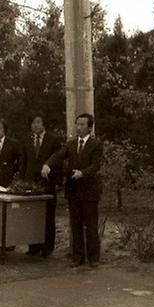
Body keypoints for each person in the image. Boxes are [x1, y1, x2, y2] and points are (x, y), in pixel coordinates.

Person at [42, 113, 102, 268]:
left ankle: (93, 258)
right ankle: (78, 257)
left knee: (91, 225)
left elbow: (96, 165)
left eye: (82, 124)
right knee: (75, 225)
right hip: (73, 191)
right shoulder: (70, 144)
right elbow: (58, 155)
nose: (79, 127)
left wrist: (83, 173)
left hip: (89, 191)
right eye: (78, 124)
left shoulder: (96, 144)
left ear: (90, 127)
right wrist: (47, 164)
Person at [22, 112, 62, 257]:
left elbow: (58, 161)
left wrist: (58, 181)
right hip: (30, 183)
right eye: (33, 123)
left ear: (43, 124)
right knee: (32, 215)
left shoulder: (53, 140)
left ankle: (47, 247)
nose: (35, 125)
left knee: (47, 215)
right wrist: (22, 181)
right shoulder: (26, 139)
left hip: (47, 182)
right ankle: (33, 246)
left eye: (38, 122)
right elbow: (24, 162)